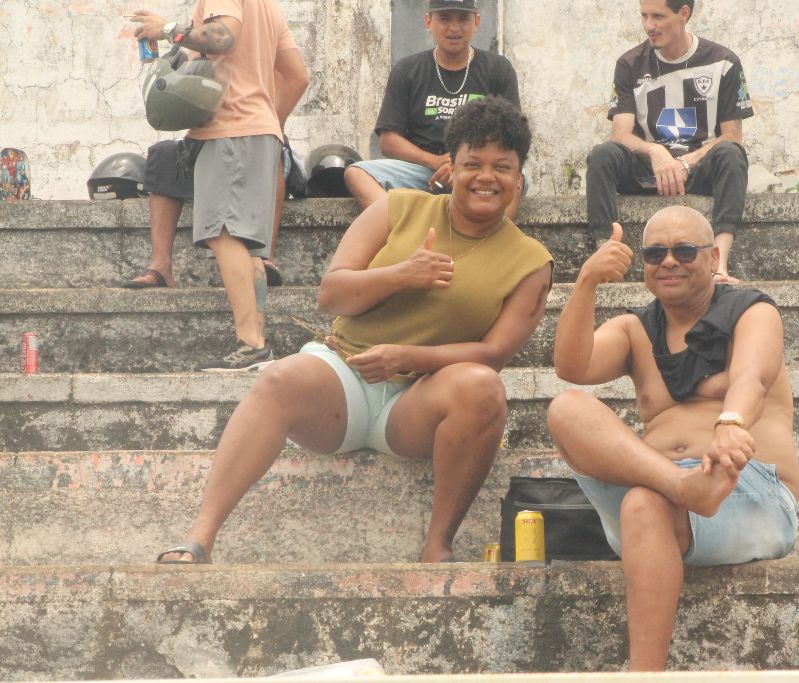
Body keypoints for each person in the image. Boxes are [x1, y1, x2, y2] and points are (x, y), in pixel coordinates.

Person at [155, 97, 553, 565]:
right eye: (473, 164)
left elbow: (495, 352)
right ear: (452, 167)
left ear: (518, 177)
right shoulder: (397, 208)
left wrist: (408, 358)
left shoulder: (531, 261)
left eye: (502, 167)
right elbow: (332, 295)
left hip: (420, 403)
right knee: (278, 378)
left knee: (483, 388)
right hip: (345, 375)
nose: (487, 177)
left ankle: (437, 546)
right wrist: (401, 275)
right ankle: (200, 537)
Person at [546, 206, 799, 671]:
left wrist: (730, 424)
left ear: (713, 257)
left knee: (644, 503)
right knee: (566, 408)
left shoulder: (752, 310)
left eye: (684, 251)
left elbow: (752, 379)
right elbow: (572, 366)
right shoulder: (636, 329)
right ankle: (681, 487)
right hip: (665, 491)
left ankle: (644, 677)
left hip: (747, 489)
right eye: (654, 253)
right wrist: (586, 282)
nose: (668, 261)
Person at [130, 0, 309, 369]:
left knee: (224, 234)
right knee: (249, 246)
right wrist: (267, 121)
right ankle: (257, 345)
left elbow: (223, 37)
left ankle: (251, 343)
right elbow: (297, 76)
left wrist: (168, 29)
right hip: (258, 131)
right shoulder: (268, 7)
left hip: (229, 130)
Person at [586, 0, 753, 282]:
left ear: (683, 13)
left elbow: (732, 136)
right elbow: (620, 134)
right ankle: (604, 255)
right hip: (648, 171)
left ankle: (719, 264)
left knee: (732, 154)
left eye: (658, 16)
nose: (649, 25)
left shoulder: (724, 62)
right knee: (602, 155)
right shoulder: (629, 64)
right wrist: (655, 152)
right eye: (644, 16)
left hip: (699, 169)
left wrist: (686, 162)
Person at [343, 0, 526, 219]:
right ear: (428, 22)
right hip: (424, 173)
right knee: (356, 174)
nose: (454, 28)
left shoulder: (498, 69)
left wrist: (464, 164)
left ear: (476, 22)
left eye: (463, 19)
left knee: (517, 179)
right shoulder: (407, 70)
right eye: (445, 18)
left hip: (480, 168)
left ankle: (496, 237)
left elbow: (512, 136)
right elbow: (389, 141)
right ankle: (404, 231)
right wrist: (435, 161)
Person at [121, 138, 297, 288]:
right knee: (165, 152)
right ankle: (161, 267)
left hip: (257, 139)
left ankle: (265, 258)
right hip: (209, 141)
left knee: (269, 147)